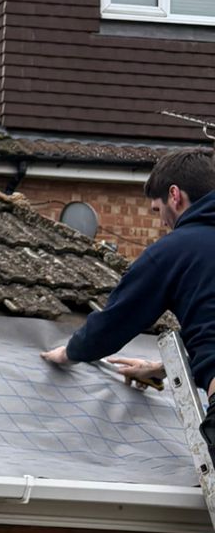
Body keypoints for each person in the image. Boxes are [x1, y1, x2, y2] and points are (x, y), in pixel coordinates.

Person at [41, 147, 215, 457]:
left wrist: (68, 353)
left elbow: (115, 322)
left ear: (175, 196)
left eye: (157, 210)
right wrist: (163, 368)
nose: (163, 223)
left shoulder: (175, 250)